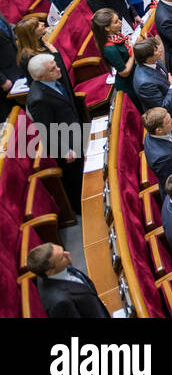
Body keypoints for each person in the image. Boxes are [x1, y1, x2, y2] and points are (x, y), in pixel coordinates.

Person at [26, 53, 87, 208]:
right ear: (40, 76)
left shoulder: (54, 80)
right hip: (66, 143)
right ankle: (81, 207)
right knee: (76, 178)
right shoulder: (38, 99)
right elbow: (45, 129)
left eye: (56, 65)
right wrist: (65, 150)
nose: (59, 69)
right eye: (53, 69)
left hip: (74, 129)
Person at [25, 243, 109, 318]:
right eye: (62, 257)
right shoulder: (60, 303)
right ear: (50, 271)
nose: (68, 253)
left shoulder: (55, 269)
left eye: (63, 251)